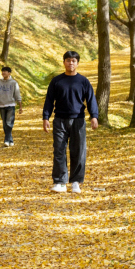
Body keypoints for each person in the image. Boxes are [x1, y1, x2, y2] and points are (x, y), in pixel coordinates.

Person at [43, 51, 98, 194]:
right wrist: (45, 117)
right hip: (59, 120)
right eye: (68, 60)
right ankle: (60, 182)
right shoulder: (56, 81)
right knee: (59, 150)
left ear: (77, 63)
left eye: (73, 61)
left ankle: (75, 182)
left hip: (78, 120)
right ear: (64, 62)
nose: (71, 63)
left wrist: (94, 116)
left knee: (78, 151)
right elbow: (49, 100)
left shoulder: (83, 81)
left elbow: (91, 99)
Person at [0, 66, 22, 147]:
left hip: (11, 105)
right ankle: (10, 140)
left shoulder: (14, 83)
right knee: (4, 124)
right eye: (2, 71)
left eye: (5, 71)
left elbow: (17, 94)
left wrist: (20, 106)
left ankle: (6, 140)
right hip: (2, 105)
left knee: (9, 122)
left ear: (9, 73)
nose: (3, 73)